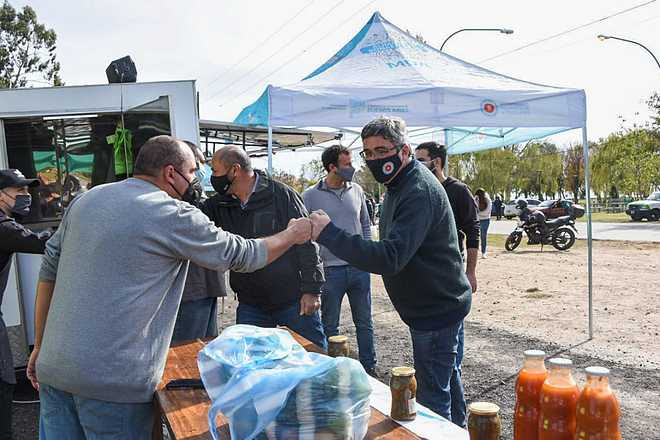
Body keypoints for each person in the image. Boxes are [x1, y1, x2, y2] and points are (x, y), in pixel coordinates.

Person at [27, 135, 312, 440]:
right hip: (113, 384)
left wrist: (41, 345)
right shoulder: (170, 212)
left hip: (54, 369)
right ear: (170, 173)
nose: (197, 181)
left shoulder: (87, 200)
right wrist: (293, 234)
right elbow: (242, 255)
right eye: (192, 172)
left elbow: (49, 270)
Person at [309, 117, 472, 426]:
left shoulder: (416, 189)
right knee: (446, 379)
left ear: (405, 150)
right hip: (433, 305)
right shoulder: (398, 184)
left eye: (382, 150)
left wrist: (330, 234)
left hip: (436, 309)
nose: (374, 159)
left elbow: (390, 257)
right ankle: (460, 430)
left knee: (433, 401)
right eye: (367, 153)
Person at [202, 146, 327, 350]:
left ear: (234, 170)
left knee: (312, 356)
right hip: (251, 304)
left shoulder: (281, 195)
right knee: (253, 364)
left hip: (292, 300)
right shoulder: (217, 205)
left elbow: (307, 244)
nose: (212, 177)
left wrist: (312, 290)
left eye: (215, 171)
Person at [415, 141, 479, 427]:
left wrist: (471, 272)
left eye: (421, 159)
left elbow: (473, 233)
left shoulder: (457, 191)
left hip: (452, 282)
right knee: (448, 364)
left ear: (437, 162)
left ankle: (453, 423)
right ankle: (457, 423)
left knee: (451, 361)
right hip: (430, 285)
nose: (416, 164)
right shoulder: (420, 190)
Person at [302, 145, 377, 375]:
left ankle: (369, 367)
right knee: (330, 324)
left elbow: (365, 223)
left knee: (364, 323)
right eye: (346, 164)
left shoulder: (357, 190)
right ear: (331, 167)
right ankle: (332, 369)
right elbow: (305, 233)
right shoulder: (310, 196)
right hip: (330, 272)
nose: (352, 168)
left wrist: (366, 254)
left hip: (358, 269)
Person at [0, 169, 52, 440]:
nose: (26, 196)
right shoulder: (3, 228)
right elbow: (43, 243)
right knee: (4, 383)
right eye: (19, 191)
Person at [171, 141, 226, 343]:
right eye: (196, 167)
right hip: (190, 292)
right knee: (187, 350)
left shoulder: (199, 199)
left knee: (208, 348)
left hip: (208, 287)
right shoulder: (175, 204)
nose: (202, 172)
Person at [474, 188, 492, 258]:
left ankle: (483, 252)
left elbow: (486, 213)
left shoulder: (488, 200)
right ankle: (475, 251)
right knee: (475, 236)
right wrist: (478, 213)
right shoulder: (476, 199)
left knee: (483, 236)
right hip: (477, 219)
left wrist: (478, 213)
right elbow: (474, 208)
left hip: (485, 220)